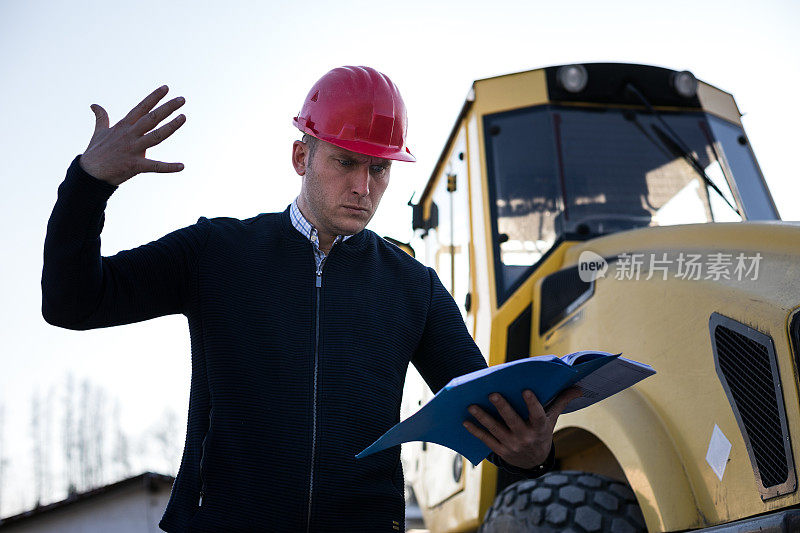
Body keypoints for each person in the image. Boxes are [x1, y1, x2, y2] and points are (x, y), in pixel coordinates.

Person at [41, 66, 580, 532]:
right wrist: (90, 183)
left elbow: (492, 420)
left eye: (379, 167)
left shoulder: (412, 287)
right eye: (346, 162)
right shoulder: (216, 253)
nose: (363, 187)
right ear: (302, 155)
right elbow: (72, 303)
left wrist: (530, 458)